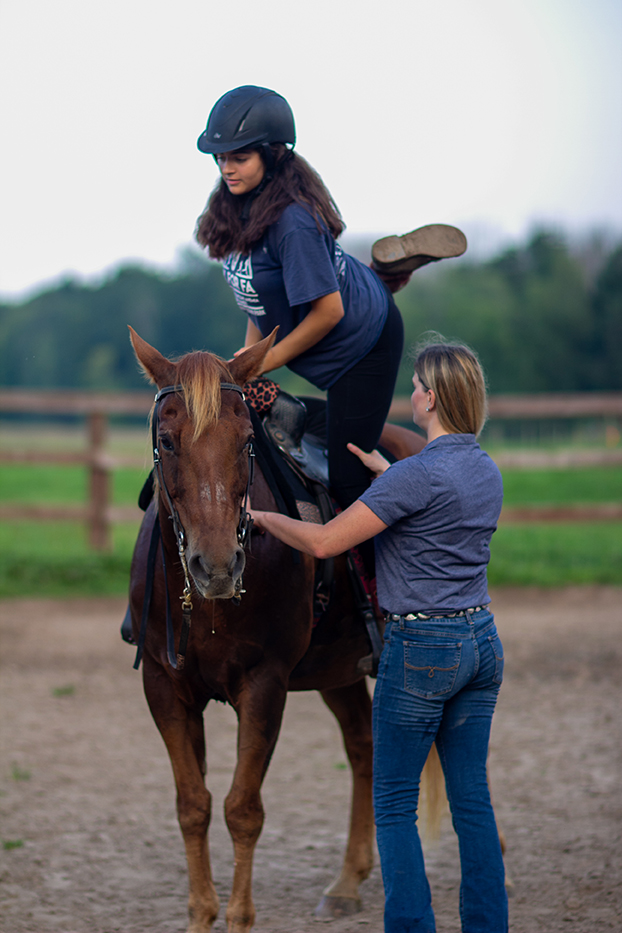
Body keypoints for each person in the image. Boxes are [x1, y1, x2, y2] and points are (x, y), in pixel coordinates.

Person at [250, 340, 508, 933]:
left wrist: (260, 517)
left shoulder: (414, 478)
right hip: (481, 643)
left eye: (417, 385)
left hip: (422, 651)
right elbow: (436, 506)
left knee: (392, 805)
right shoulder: (483, 468)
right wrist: (391, 477)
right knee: (473, 800)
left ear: (433, 397)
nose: (411, 393)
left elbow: (321, 543)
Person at [195, 86, 465, 574]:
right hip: (328, 323)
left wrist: (255, 364)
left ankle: (380, 595)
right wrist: (248, 356)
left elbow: (328, 316)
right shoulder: (236, 208)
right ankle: (380, 274)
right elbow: (259, 299)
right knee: (270, 421)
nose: (226, 168)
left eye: (239, 157)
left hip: (363, 346)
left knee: (345, 478)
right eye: (219, 159)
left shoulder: (292, 223)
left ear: (273, 155)